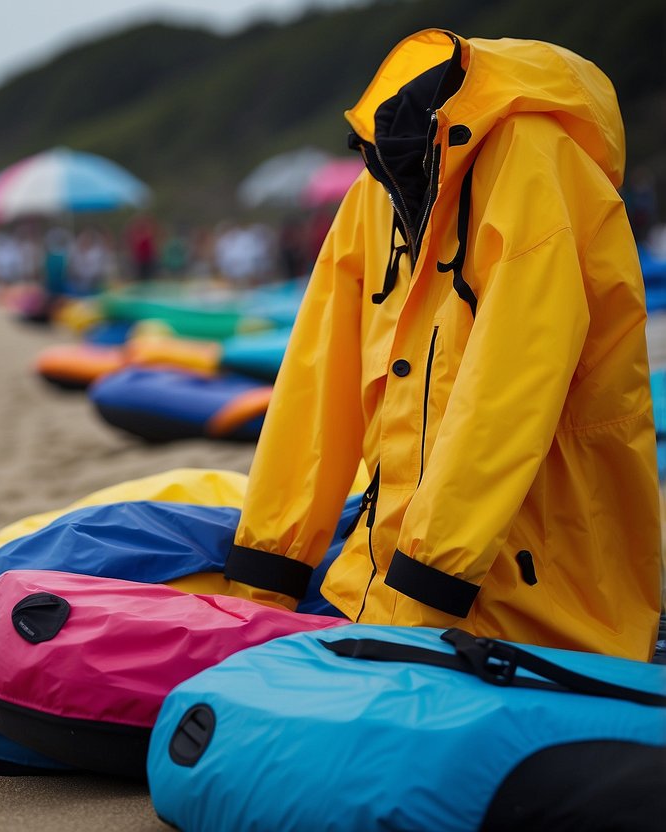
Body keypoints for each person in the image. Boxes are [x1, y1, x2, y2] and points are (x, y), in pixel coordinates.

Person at [226, 29, 661, 661]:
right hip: (378, 590)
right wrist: (265, 580)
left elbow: (511, 393)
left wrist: (429, 585)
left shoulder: (538, 165)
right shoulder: (375, 190)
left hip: (542, 606)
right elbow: (313, 390)